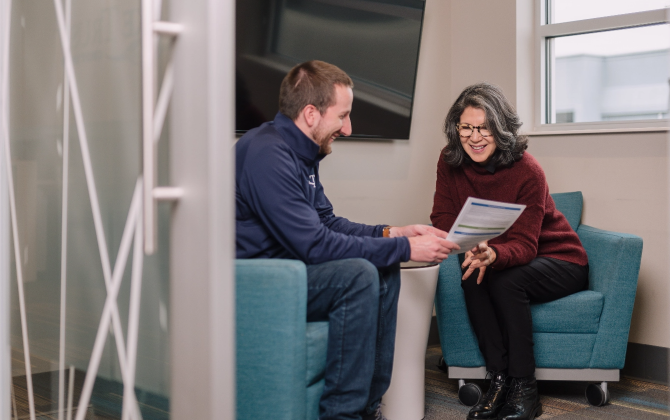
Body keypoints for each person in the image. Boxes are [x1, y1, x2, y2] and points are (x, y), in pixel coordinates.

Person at [236, 60, 459, 420]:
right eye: (343, 116)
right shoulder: (268, 153)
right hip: (261, 282)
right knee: (358, 275)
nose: (348, 128)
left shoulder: (300, 153)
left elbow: (326, 221)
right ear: (311, 114)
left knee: (383, 268)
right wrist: (406, 248)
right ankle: (342, 415)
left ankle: (368, 408)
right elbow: (315, 245)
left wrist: (393, 233)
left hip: (292, 271)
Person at [430, 83, 589, 420]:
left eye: (484, 127)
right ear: (456, 129)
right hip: (499, 255)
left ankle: (524, 388)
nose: (475, 137)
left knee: (504, 282)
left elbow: (526, 246)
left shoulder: (528, 170)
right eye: (466, 127)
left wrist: (496, 255)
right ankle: (498, 380)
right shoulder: (449, 162)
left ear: (500, 128)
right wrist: (474, 247)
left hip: (560, 259)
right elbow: (442, 216)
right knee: (472, 278)